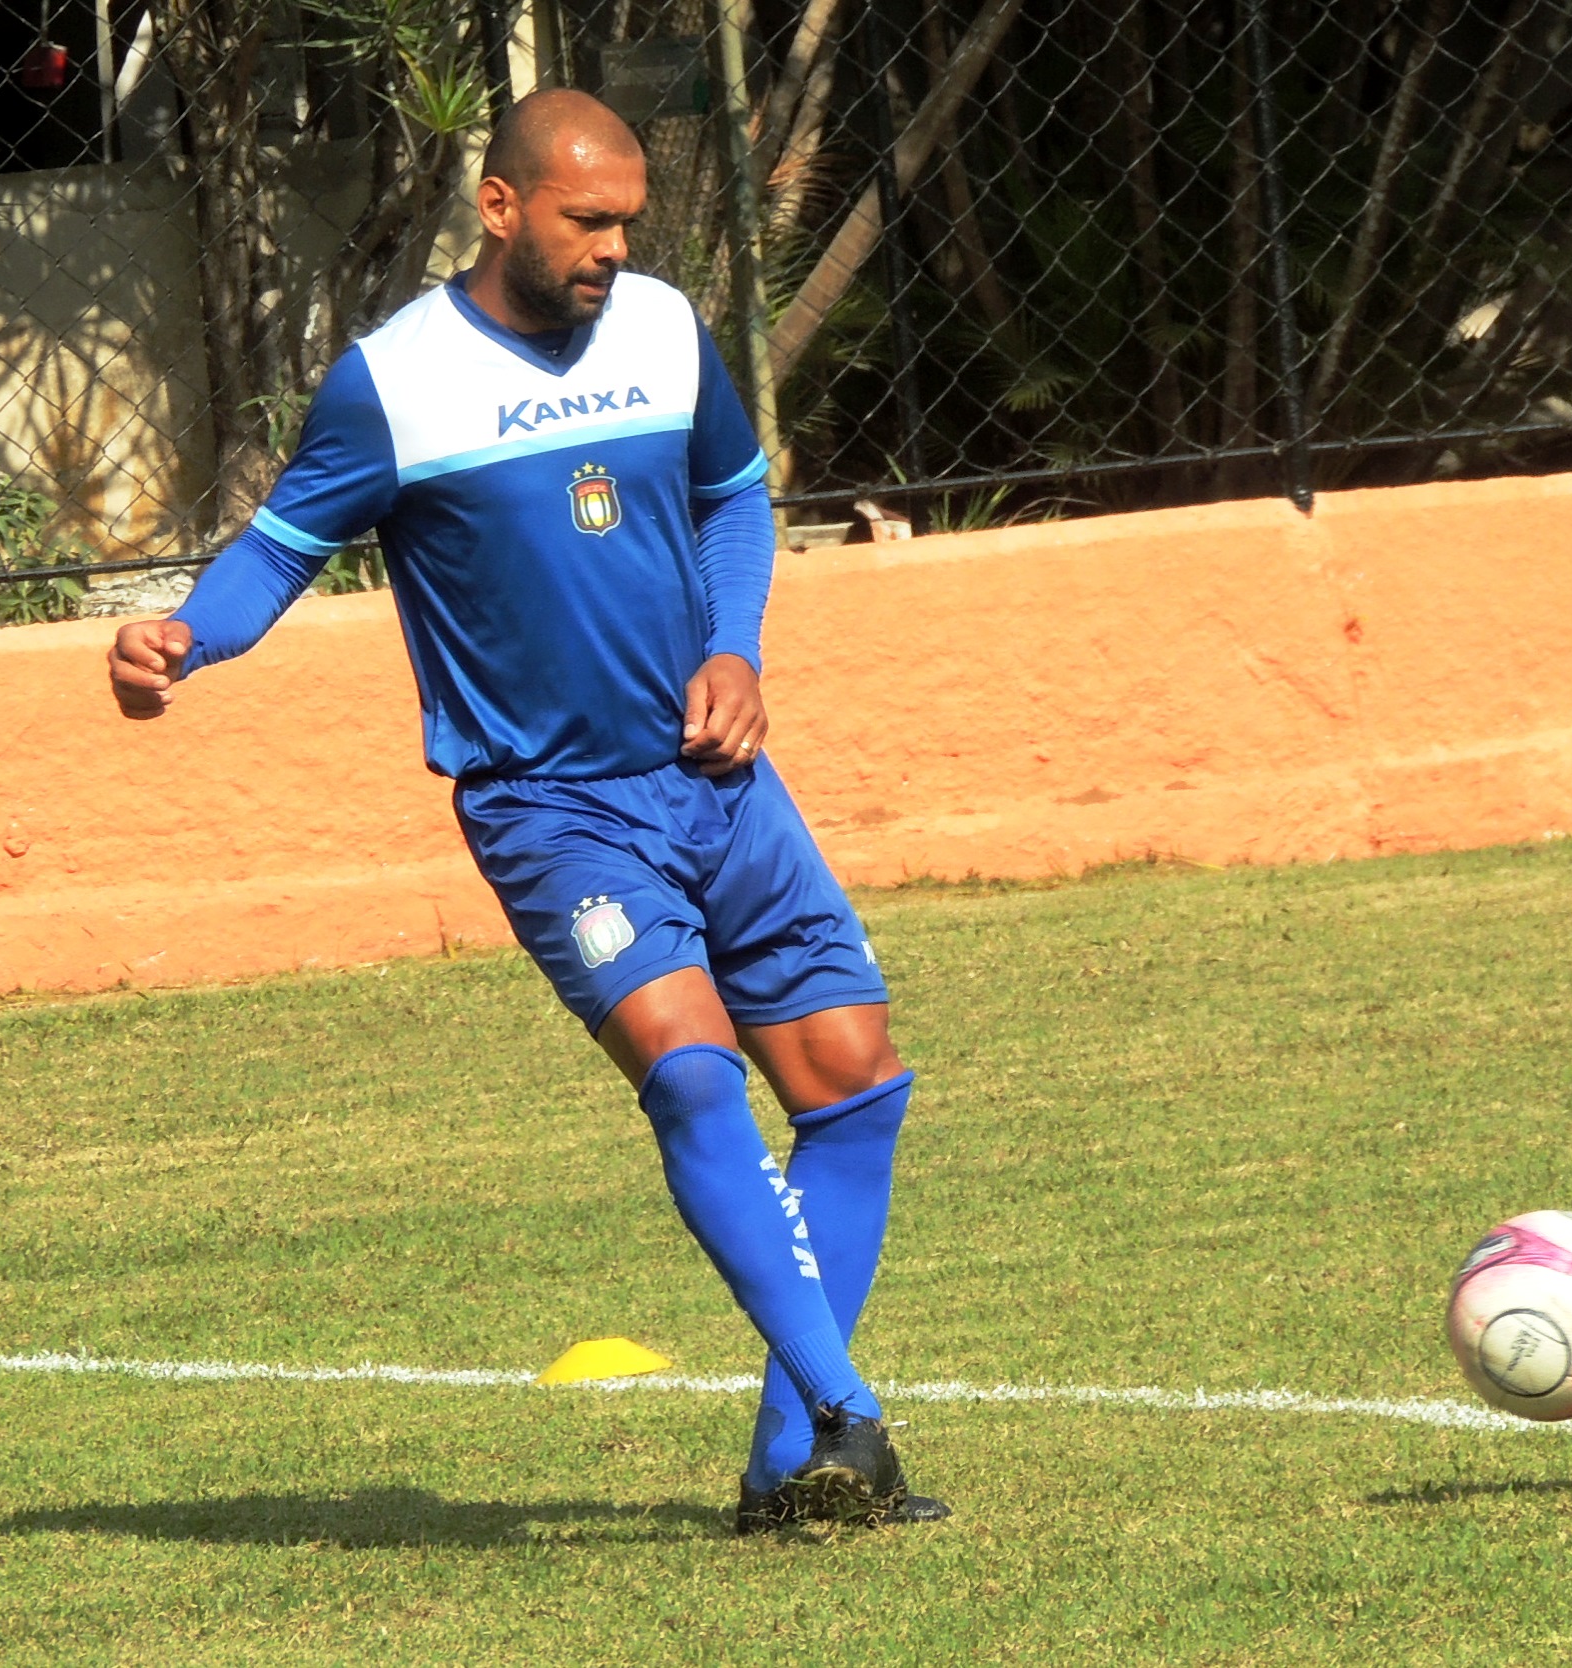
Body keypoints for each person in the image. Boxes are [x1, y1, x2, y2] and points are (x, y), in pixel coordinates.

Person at [106, 89, 945, 1534]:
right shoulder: (395, 381)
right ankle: (844, 1409)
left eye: (629, 220)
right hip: (554, 812)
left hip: (718, 785)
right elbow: (280, 549)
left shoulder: (669, 329)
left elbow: (735, 496)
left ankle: (785, 1472)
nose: (615, 246)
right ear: (499, 207)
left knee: (850, 1082)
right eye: (586, 220)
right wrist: (184, 635)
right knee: (691, 1074)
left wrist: (735, 647)